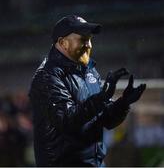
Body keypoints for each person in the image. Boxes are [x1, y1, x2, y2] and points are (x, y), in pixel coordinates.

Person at [29, 15, 146, 167]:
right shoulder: (47, 75)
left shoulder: (89, 72)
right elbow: (66, 120)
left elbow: (106, 121)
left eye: (90, 40)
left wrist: (123, 103)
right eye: (83, 40)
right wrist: (101, 97)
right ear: (63, 43)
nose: (89, 45)